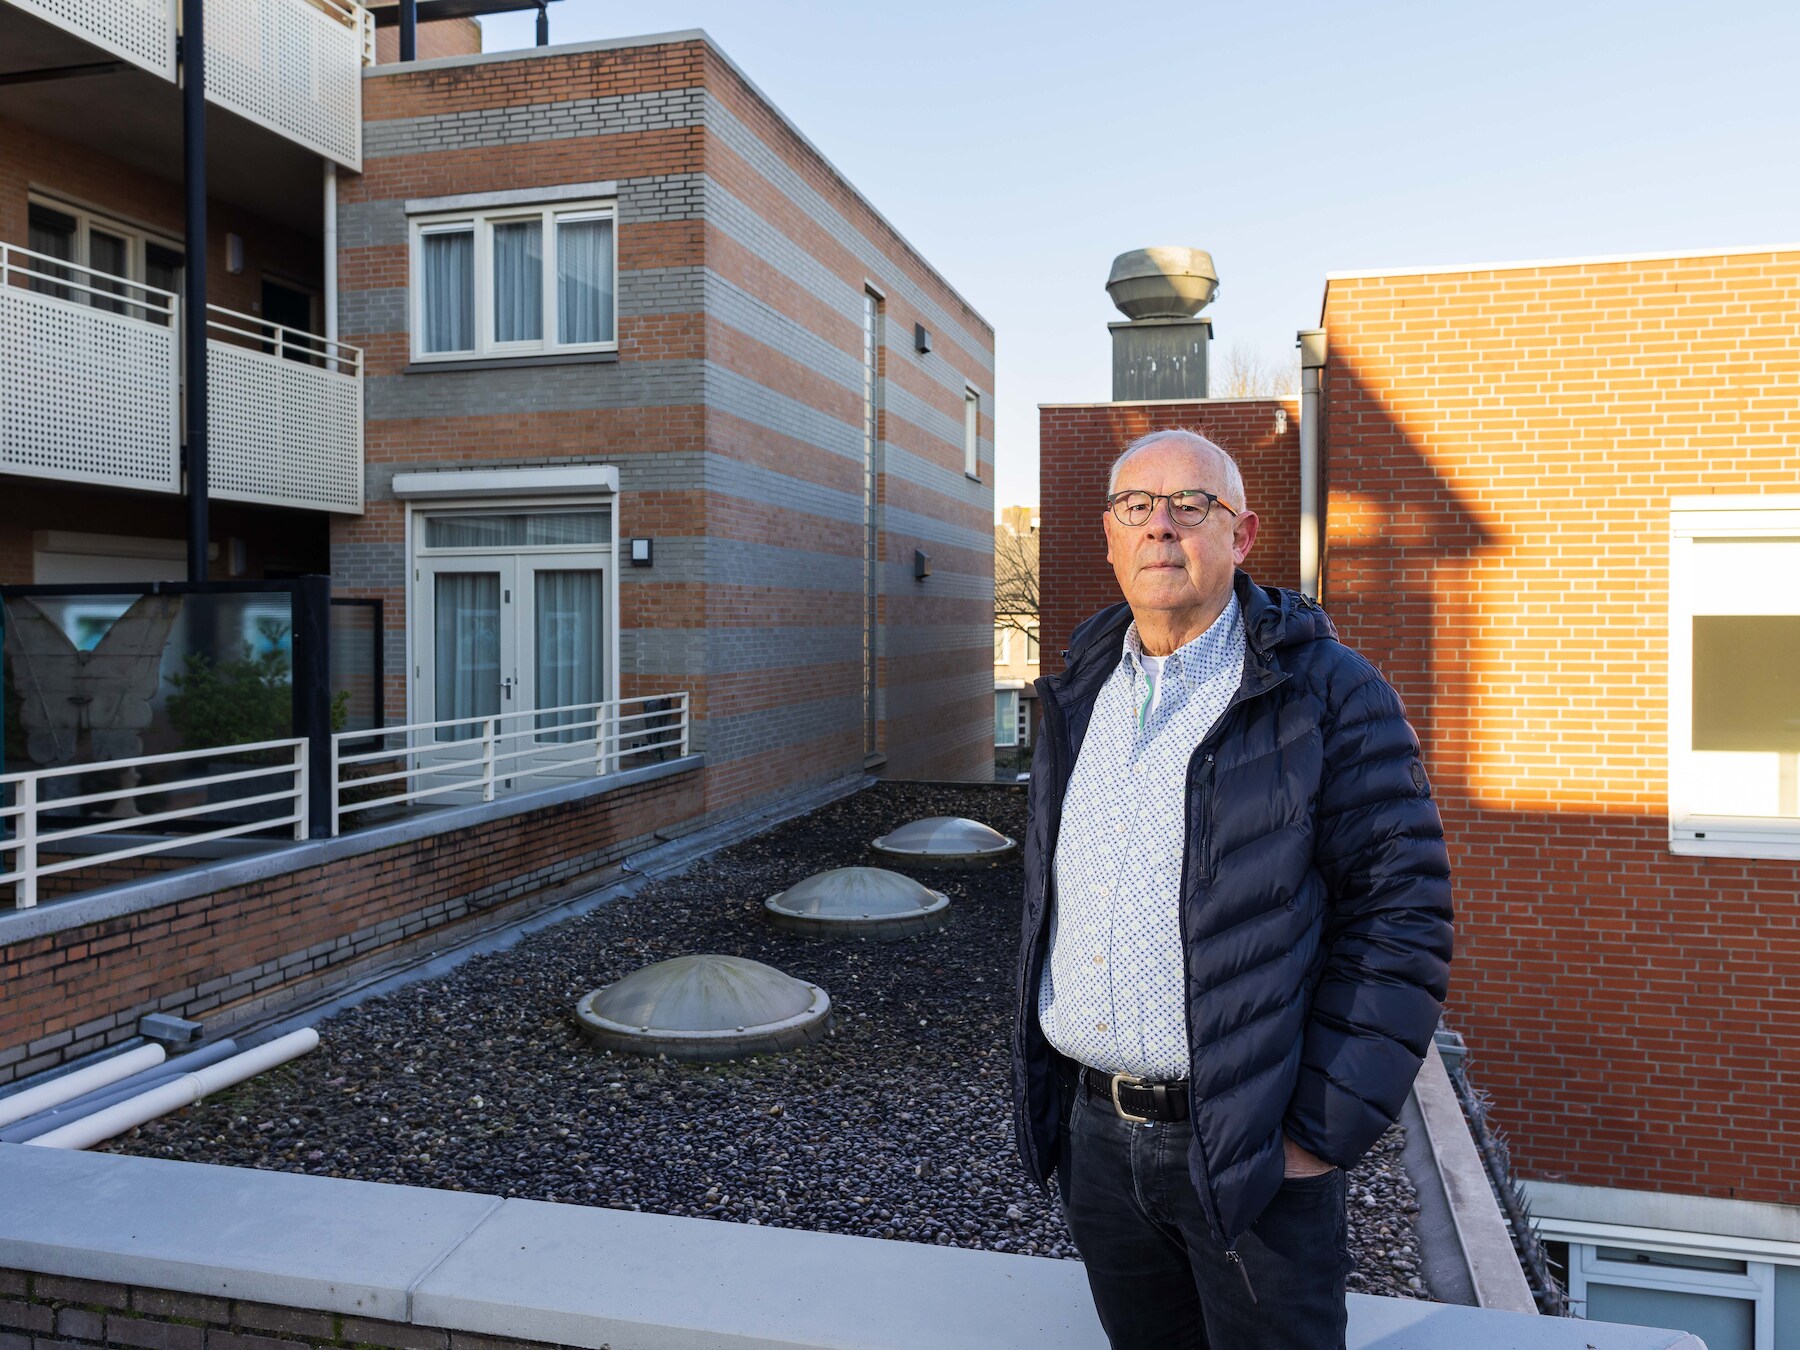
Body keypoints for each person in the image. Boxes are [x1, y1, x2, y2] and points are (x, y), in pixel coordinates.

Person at [1010, 428, 1454, 1349]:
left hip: (1250, 1152)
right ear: (1109, 535)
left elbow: (1401, 919)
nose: (1160, 527)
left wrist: (1316, 1135)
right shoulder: (1078, 692)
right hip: (1098, 1142)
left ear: (1242, 535)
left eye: (1191, 505)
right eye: (1137, 506)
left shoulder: (1325, 694)